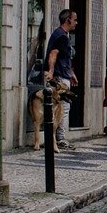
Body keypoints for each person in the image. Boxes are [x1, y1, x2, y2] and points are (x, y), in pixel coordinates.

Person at [44, 9, 78, 151]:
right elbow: (54, 54)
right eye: (74, 19)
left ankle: (58, 138)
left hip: (63, 75)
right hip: (60, 78)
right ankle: (60, 139)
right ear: (68, 20)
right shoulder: (62, 37)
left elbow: (64, 59)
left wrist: (72, 74)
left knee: (62, 107)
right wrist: (51, 71)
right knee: (63, 108)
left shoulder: (61, 35)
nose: (76, 22)